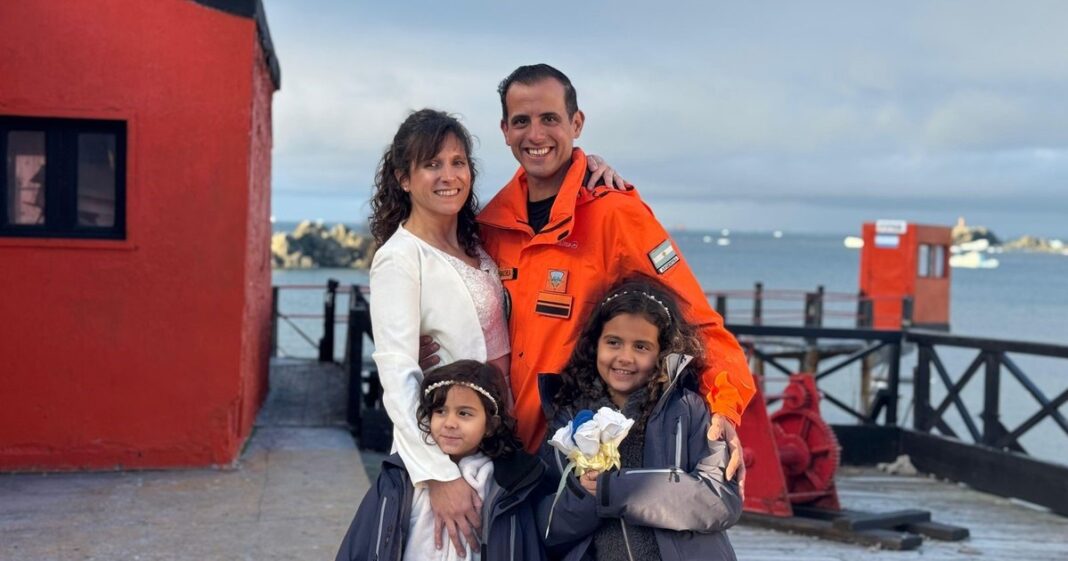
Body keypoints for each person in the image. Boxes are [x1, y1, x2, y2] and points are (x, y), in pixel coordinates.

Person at [474, 64, 756, 483]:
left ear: (577, 122)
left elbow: (700, 325)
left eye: (549, 119)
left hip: (574, 461)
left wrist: (725, 409)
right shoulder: (489, 226)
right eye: (522, 121)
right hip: (493, 455)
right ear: (504, 130)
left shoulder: (616, 215)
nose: (535, 135)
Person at [368, 108, 624, 557]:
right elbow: (398, 373)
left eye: (458, 162)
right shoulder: (400, 258)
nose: (449, 176)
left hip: (503, 447)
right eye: (431, 164)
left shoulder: (476, 241)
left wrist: (587, 171)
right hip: (451, 453)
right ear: (403, 179)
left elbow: (540, 201)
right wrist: (438, 475)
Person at [537, 278, 742, 561]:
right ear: (595, 344)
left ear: (663, 351)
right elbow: (548, 529)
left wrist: (616, 489)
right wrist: (584, 493)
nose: (625, 357)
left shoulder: (689, 410)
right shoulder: (567, 420)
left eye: (642, 347)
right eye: (613, 342)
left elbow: (720, 501)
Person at [335, 360, 548, 561]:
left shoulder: (507, 487)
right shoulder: (399, 477)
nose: (450, 423)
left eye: (464, 413)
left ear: (491, 425)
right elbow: (359, 544)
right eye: (440, 411)